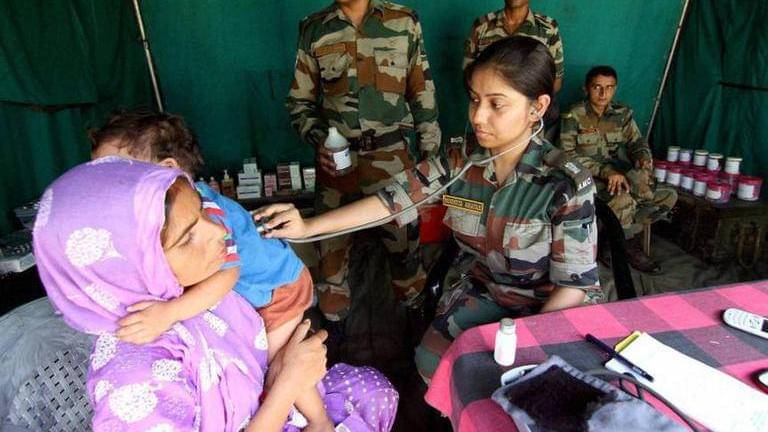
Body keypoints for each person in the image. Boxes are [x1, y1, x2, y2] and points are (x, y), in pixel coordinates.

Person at [259, 36, 600, 382]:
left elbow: (573, 287)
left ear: (537, 107)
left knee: (522, 381)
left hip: (549, 309)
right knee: (432, 364)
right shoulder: (460, 161)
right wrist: (308, 226)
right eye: (474, 100)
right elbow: (390, 201)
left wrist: (523, 345)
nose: (478, 117)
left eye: (496, 104)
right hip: (488, 294)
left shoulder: (565, 184)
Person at [32, 158, 398, 431]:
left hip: (270, 406)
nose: (218, 232)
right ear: (128, 266)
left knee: (374, 392)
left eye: (204, 213)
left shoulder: (195, 290)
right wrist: (289, 384)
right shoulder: (134, 381)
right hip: (274, 407)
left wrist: (293, 381)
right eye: (187, 237)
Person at [89, 111, 328, 428]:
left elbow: (227, 274)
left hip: (279, 288)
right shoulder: (166, 212)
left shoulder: (201, 211)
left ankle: (318, 421)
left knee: (278, 362)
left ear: (167, 169)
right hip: (265, 280)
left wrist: (168, 313)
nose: (105, 185)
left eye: (116, 173)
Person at [285, 0, 441, 331]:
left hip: (393, 164)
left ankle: (417, 334)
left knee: (406, 259)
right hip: (336, 169)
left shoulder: (403, 22)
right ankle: (334, 341)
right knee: (331, 267)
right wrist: (319, 139)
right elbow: (300, 103)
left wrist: (430, 163)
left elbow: (423, 93)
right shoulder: (315, 28)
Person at [559, 65, 677, 273]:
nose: (603, 93)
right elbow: (566, 156)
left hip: (620, 175)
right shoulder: (573, 115)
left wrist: (643, 157)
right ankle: (625, 244)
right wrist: (605, 171)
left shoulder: (622, 113)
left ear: (615, 89)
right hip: (587, 179)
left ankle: (614, 237)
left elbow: (637, 142)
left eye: (609, 88)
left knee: (667, 195)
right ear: (586, 88)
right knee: (623, 200)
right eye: (597, 87)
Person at [463, 0, 564, 142]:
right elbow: (468, 73)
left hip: (529, 117)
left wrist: (527, 108)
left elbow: (556, 80)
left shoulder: (547, 27)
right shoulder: (483, 25)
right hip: (492, 119)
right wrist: (493, 103)